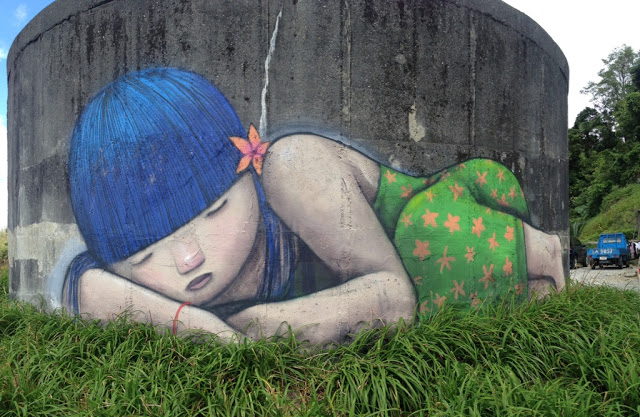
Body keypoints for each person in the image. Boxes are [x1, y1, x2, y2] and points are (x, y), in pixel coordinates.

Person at [63, 67, 564, 347]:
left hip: (439, 215)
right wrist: (202, 328)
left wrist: (255, 327)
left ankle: (541, 251)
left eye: (214, 211)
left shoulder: (288, 172)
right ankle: (526, 291)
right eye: (145, 254)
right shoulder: (112, 274)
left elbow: (394, 299)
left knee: (427, 247)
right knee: (471, 312)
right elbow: (89, 289)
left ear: (248, 172)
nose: (188, 259)